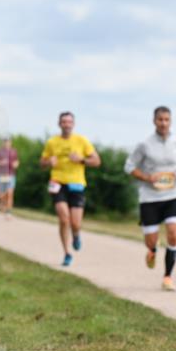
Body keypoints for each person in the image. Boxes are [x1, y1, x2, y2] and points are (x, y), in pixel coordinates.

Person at [123, 106, 176, 291]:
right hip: (149, 198)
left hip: (172, 195)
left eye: (166, 119)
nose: (163, 123)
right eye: (160, 119)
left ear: (171, 121)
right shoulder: (144, 144)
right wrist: (147, 177)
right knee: (151, 240)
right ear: (154, 121)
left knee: (173, 233)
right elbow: (129, 166)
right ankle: (152, 250)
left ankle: (167, 277)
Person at [40, 112, 101, 266]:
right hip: (57, 182)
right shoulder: (52, 142)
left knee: (75, 223)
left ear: (73, 124)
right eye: (64, 122)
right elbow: (42, 163)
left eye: (69, 122)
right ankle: (67, 253)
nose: (66, 124)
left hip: (77, 184)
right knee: (64, 219)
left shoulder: (81, 141)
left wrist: (82, 160)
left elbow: (97, 161)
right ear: (59, 124)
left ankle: (76, 234)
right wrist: (48, 162)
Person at [0, 137, 19, 218]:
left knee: (10, 193)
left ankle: (9, 212)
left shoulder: (14, 151)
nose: (7, 143)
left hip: (11, 175)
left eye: (8, 142)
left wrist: (16, 164)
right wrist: (1, 162)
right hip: (1, 175)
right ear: (3, 143)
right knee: (2, 194)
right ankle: (2, 204)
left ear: (11, 142)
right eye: (5, 142)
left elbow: (16, 161)